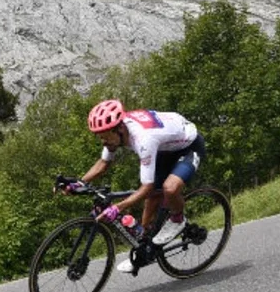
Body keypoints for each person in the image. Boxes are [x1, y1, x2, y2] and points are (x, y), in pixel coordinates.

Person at [59, 99, 205, 273]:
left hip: (189, 145)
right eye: (100, 137)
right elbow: (104, 163)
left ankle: (178, 219)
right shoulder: (116, 132)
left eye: (106, 137)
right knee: (151, 200)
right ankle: (144, 248)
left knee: (169, 188)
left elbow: (147, 187)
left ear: (120, 129)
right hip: (165, 147)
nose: (103, 142)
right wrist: (79, 183)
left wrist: (118, 207)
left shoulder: (144, 139)